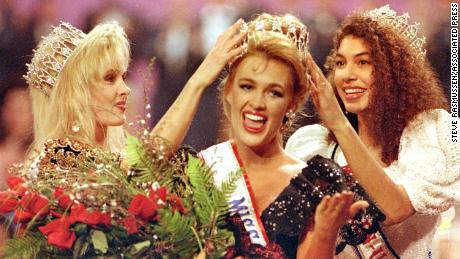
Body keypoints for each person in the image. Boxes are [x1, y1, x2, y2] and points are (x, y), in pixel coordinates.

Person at [151, 13, 368, 258]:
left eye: (274, 93)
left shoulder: (310, 183)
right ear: (229, 91)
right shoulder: (198, 170)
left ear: (292, 103)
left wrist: (326, 231)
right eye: (247, 87)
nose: (257, 103)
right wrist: (198, 81)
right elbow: (141, 166)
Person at [285, 5, 460, 258]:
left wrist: (339, 124)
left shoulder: (428, 133)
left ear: (394, 72)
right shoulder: (315, 144)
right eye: (341, 63)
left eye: (363, 62)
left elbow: (392, 209)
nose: (347, 75)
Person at [23, 21, 131, 171]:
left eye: (123, 77)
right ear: (76, 93)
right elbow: (147, 166)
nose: (126, 89)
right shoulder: (60, 159)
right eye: (110, 78)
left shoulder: (113, 156)